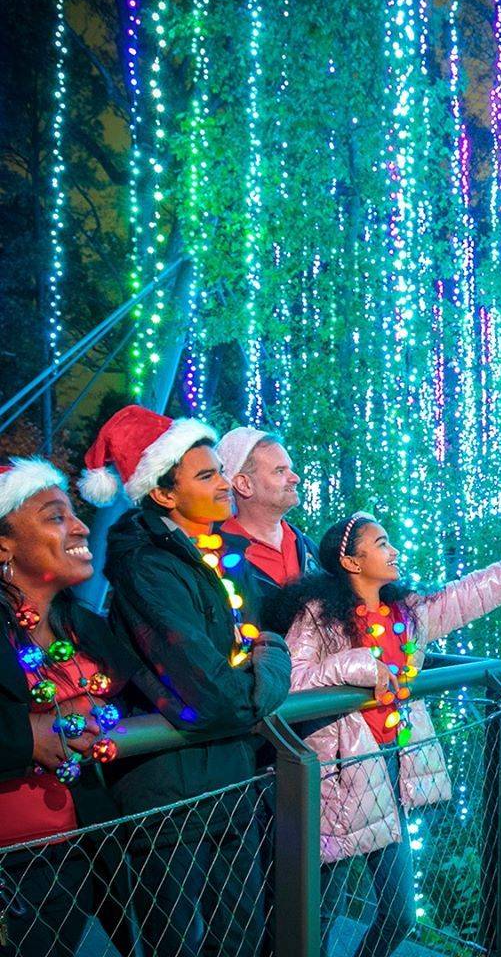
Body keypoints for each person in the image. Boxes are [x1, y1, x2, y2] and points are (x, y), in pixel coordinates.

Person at [262, 511, 501, 957]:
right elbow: (291, 681)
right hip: (332, 779)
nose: (394, 551)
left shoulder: (406, 613)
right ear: (352, 562)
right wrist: (358, 666)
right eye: (382, 543)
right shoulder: (316, 616)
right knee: (315, 917)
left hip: (388, 768)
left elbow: (469, 594)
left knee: (400, 916)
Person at [78, 405, 292, 957]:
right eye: (207, 476)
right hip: (168, 796)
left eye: (220, 471)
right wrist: (273, 661)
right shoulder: (147, 567)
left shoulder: (220, 556)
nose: (225, 485)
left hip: (227, 780)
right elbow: (216, 695)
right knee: (178, 942)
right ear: (164, 494)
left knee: (242, 937)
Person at [0, 457, 133, 956]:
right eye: (55, 516)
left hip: (81, 854)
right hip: (10, 866)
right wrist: (22, 737)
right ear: (3, 546)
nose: (80, 527)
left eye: (73, 514)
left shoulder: (90, 628)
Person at [214, 427, 320, 625]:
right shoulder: (216, 555)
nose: (295, 478)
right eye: (280, 471)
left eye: (290, 468)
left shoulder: (308, 549)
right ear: (244, 484)